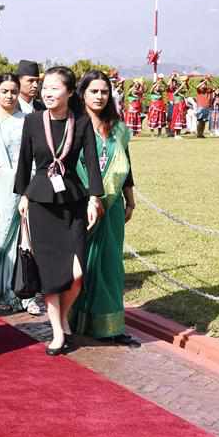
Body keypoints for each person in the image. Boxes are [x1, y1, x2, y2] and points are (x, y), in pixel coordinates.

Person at [14, 66, 103, 356]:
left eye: (55, 88)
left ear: (68, 91)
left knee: (77, 272)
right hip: (40, 202)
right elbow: (24, 162)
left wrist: (94, 198)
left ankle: (64, 316)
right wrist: (23, 196)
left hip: (73, 202)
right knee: (51, 273)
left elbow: (91, 162)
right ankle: (56, 331)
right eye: (45, 88)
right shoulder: (32, 121)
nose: (48, 93)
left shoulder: (81, 122)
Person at [69, 71, 139, 346]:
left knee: (110, 265)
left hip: (111, 207)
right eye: (93, 91)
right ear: (82, 94)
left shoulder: (118, 129)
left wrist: (130, 199)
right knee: (82, 265)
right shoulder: (73, 125)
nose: (99, 96)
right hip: (80, 205)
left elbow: (126, 166)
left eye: (104, 92)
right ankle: (74, 320)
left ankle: (110, 326)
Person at [0, 73, 40, 314]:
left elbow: (32, 155)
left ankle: (13, 290)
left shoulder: (27, 120)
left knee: (16, 238)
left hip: (20, 186)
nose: (9, 96)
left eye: (13, 91)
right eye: (5, 91)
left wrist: (25, 182)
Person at [169, 74, 188, 139]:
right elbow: (175, 93)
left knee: (181, 119)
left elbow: (186, 90)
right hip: (177, 105)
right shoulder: (174, 88)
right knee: (177, 119)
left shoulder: (181, 88)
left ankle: (178, 134)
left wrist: (185, 83)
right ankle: (176, 134)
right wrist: (181, 85)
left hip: (182, 104)